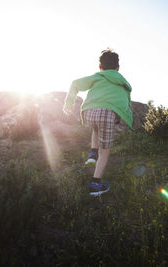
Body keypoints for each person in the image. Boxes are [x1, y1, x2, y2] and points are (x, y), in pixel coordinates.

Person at [63, 49, 133, 196]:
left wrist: (69, 105)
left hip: (89, 112)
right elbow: (126, 102)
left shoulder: (97, 76)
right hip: (107, 114)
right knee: (105, 152)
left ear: (100, 68)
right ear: (118, 68)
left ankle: (92, 155)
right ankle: (95, 184)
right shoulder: (123, 83)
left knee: (96, 128)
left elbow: (75, 83)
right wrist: (126, 118)